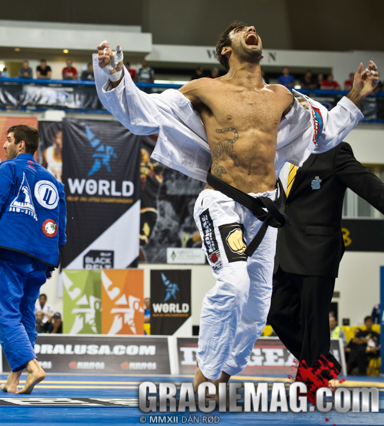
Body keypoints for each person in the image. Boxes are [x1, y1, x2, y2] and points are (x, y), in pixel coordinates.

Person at [94, 22, 377, 398]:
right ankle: (203, 377)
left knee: (258, 307)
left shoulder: (282, 97)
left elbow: (323, 134)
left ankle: (224, 374)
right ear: (226, 48)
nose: (253, 28)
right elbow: (143, 113)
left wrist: (354, 98)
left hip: (266, 211)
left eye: (254, 27)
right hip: (222, 200)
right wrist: (113, 76)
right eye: (241, 28)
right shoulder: (205, 89)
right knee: (233, 283)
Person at [268, 140, 384, 394]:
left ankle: (313, 380)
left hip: (317, 250)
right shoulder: (279, 151)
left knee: (314, 319)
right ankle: (322, 365)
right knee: (276, 312)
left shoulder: (334, 152)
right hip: (283, 250)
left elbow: (369, 185)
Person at [0, 124, 67, 394]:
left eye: (8, 140)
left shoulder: (8, 169)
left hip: (11, 249)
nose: (4, 145)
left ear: (21, 145)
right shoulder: (54, 182)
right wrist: (50, 258)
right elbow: (60, 227)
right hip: (41, 255)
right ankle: (14, 379)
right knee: (25, 315)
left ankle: (33, 368)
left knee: (5, 315)